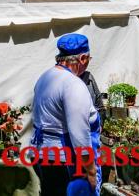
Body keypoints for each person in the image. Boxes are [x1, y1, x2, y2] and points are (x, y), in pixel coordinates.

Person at [31, 33, 100, 196]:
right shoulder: (73, 84)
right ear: (82, 58)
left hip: (43, 153)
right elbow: (80, 135)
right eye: (89, 59)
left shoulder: (45, 76)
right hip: (63, 161)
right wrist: (91, 171)